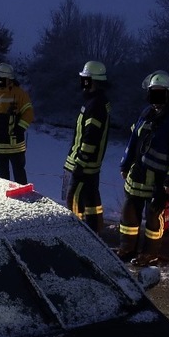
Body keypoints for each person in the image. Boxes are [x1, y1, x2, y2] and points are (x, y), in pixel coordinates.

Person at [118, 70, 169, 266]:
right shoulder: (146, 113)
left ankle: (149, 254)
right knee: (129, 213)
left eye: (160, 92)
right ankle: (127, 248)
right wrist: (125, 164)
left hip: (159, 180)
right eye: (153, 92)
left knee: (153, 217)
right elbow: (134, 141)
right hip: (137, 175)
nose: (155, 97)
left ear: (168, 94)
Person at [63, 61, 111, 236]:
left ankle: (76, 235)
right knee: (92, 201)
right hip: (91, 164)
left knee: (74, 199)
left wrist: (81, 162)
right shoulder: (97, 102)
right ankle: (94, 232)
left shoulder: (95, 105)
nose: (82, 82)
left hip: (84, 164)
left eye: (85, 79)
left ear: (93, 81)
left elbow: (91, 136)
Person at [0, 62, 33, 183]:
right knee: (2, 178)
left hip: (15, 144)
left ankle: (23, 197)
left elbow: (28, 112)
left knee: (19, 174)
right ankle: (6, 200)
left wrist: (20, 128)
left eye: (2, 79)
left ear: (10, 80)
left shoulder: (19, 94)